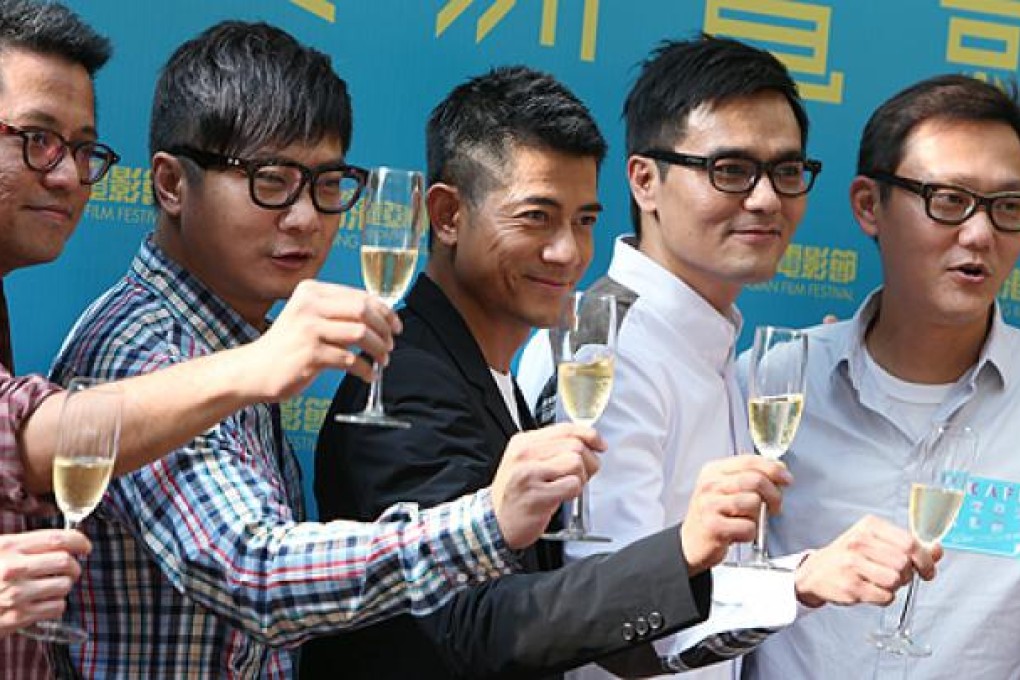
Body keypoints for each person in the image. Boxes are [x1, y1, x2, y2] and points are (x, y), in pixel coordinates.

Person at [47, 22, 599, 679]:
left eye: (328, 183)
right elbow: (255, 571)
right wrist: (486, 521)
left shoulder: (238, 334)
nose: (307, 217)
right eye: (271, 182)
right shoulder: (146, 346)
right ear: (170, 184)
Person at [305, 64, 794, 680]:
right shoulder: (406, 383)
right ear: (448, 215)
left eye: (584, 221)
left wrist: (786, 588)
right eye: (536, 217)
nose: (567, 252)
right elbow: (471, 620)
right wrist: (682, 550)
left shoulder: (486, 374)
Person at [517, 35, 938, 679]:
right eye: (731, 171)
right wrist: (801, 582)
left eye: (786, 171)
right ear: (645, 180)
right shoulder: (608, 350)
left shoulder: (713, 344)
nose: (767, 199)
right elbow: (606, 621)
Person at [741, 74, 1020, 679]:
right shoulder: (774, 382)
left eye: (1008, 208)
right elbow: (695, 591)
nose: (980, 233)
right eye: (949, 200)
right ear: (869, 206)